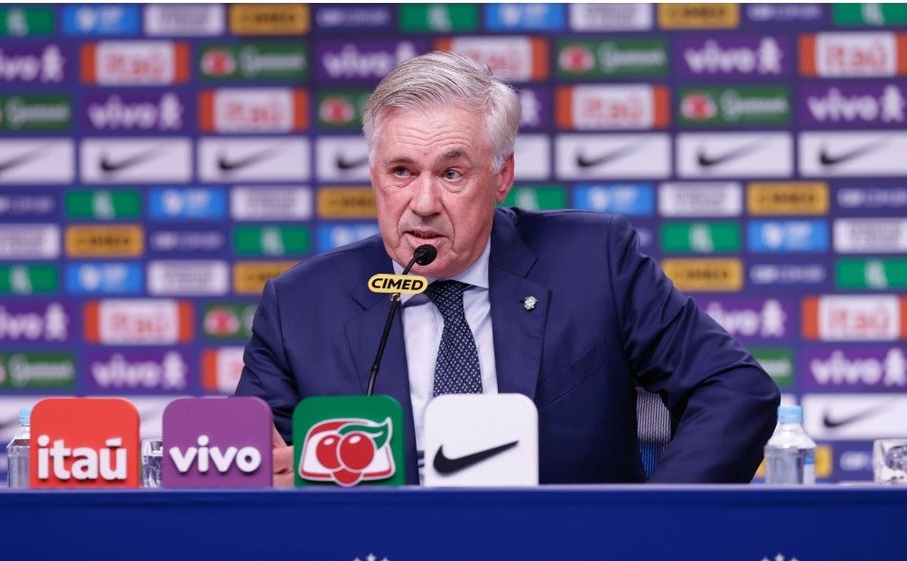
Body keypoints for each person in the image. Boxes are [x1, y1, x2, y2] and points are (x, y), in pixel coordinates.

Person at [236, 52, 779, 486]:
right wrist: (276, 484)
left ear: (502, 176)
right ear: (374, 174)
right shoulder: (300, 307)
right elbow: (248, 462)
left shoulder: (594, 263)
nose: (423, 203)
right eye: (401, 171)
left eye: (452, 174)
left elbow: (734, 387)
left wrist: (655, 523)